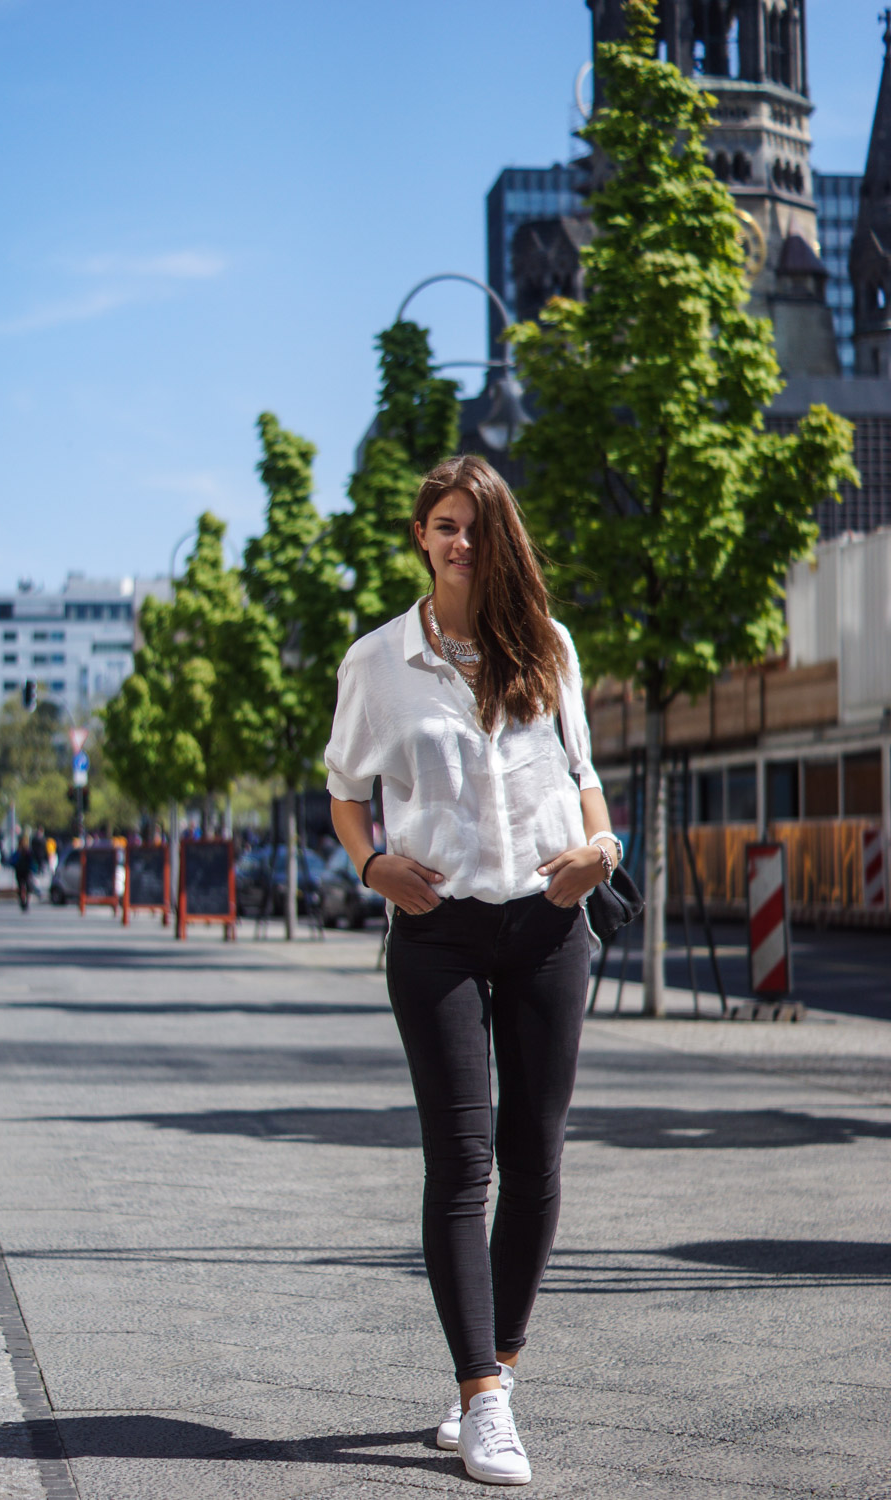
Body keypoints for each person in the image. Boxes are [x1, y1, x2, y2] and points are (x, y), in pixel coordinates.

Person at [324, 455, 621, 1487]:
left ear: (499, 541)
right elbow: (344, 790)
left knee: (534, 1153)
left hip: (547, 920)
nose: (461, 542)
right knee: (460, 1162)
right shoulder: (376, 662)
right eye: (446, 525)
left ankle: (497, 1364)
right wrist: (370, 863)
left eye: (478, 528)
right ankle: (481, 1401)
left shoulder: (547, 647)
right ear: (421, 536)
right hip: (438, 932)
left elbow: (583, 776)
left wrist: (604, 849)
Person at [14, 833, 34, 912]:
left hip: (26, 871)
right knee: (21, 887)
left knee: (28, 887)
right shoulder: (18, 851)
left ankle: (26, 902)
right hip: (19, 871)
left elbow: (31, 861)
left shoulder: (28, 851)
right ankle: (22, 901)